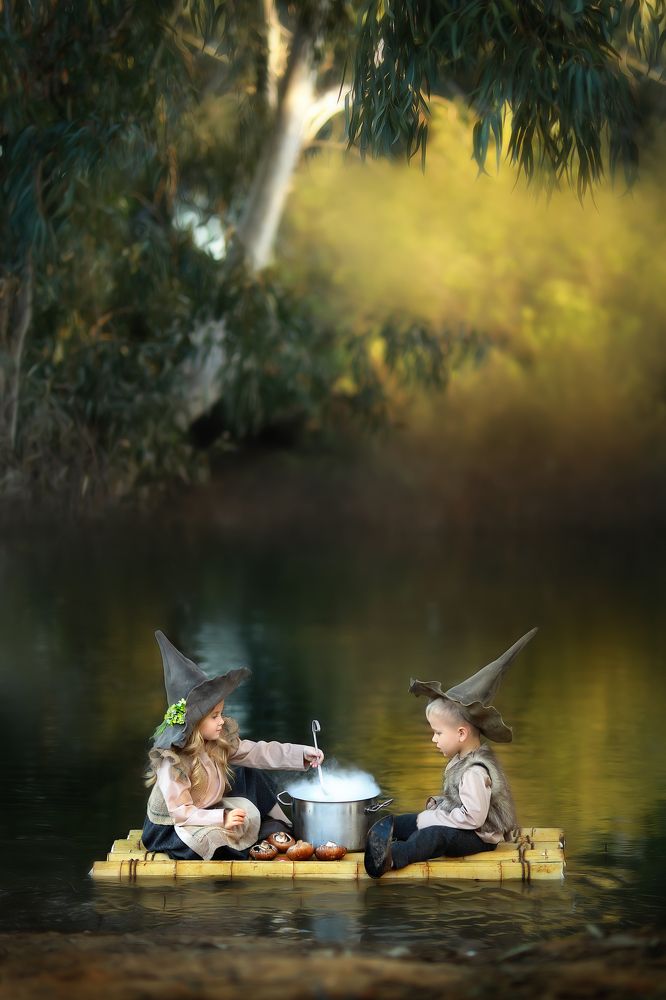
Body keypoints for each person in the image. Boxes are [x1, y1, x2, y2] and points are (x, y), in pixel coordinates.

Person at [364, 628, 538, 878]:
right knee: (410, 821)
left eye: (438, 732)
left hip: (479, 837)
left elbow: (473, 819)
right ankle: (384, 832)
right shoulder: (461, 760)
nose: (433, 739)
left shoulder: (475, 771)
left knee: (434, 835)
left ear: (461, 733)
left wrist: (435, 818)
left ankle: (395, 857)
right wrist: (429, 814)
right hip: (464, 825)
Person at [142, 630, 323, 861]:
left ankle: (271, 828)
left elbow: (258, 752)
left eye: (221, 713)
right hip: (171, 826)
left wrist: (301, 754)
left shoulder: (216, 742)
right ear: (195, 722)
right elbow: (181, 813)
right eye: (214, 716)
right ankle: (243, 843)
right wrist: (222, 818)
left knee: (248, 774)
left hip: (205, 809)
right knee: (213, 839)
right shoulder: (173, 762)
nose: (222, 721)